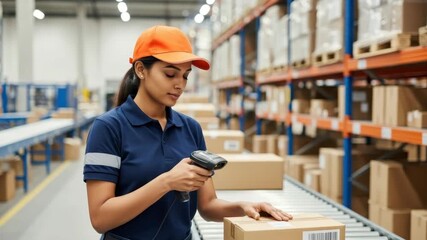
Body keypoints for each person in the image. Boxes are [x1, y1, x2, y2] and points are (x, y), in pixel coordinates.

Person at [84, 25, 292, 240]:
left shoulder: (190, 128)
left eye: (185, 76)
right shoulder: (108, 128)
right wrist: (167, 182)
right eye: (170, 74)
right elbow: (100, 218)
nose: (179, 85)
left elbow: (208, 205)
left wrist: (244, 206)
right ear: (140, 70)